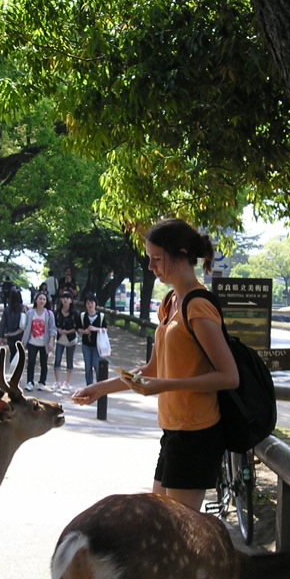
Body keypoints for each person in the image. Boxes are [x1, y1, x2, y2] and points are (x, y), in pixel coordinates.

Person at [72, 218, 238, 511]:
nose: (150, 267)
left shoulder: (198, 306)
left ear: (182, 254)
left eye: (157, 259)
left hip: (196, 433)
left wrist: (166, 386)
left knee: (176, 536)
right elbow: (153, 369)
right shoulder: (170, 301)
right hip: (173, 429)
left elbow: (229, 376)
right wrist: (102, 389)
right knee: (162, 525)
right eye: (149, 259)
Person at [21, 290, 55, 390]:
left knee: (43, 363)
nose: (42, 301)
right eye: (40, 298)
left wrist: (51, 340)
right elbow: (26, 327)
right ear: (36, 300)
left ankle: (42, 382)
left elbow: (52, 328)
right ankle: (30, 382)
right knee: (31, 362)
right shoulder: (30, 313)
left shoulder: (49, 314)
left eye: (44, 299)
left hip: (44, 343)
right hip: (32, 342)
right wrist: (23, 341)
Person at [77, 292, 107, 385]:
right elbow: (78, 328)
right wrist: (84, 331)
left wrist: (95, 329)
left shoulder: (101, 316)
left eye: (91, 302)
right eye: (87, 303)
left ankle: (99, 384)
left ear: (95, 304)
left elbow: (105, 329)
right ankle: (89, 386)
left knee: (96, 365)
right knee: (87, 367)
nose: (90, 305)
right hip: (86, 344)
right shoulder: (82, 316)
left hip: (97, 345)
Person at [52, 291, 78, 392]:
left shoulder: (74, 314)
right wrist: (58, 329)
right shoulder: (57, 313)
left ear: (71, 300)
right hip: (59, 340)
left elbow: (77, 327)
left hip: (71, 340)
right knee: (57, 359)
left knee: (69, 360)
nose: (65, 300)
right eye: (63, 298)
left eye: (67, 298)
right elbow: (53, 324)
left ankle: (67, 383)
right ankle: (57, 382)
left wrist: (67, 331)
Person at [0, 286, 26, 364]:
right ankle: (18, 370)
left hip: (10, 335)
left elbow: (3, 323)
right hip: (21, 334)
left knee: (12, 352)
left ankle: (12, 369)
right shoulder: (23, 308)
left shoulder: (7, 309)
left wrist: (1, 336)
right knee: (20, 353)